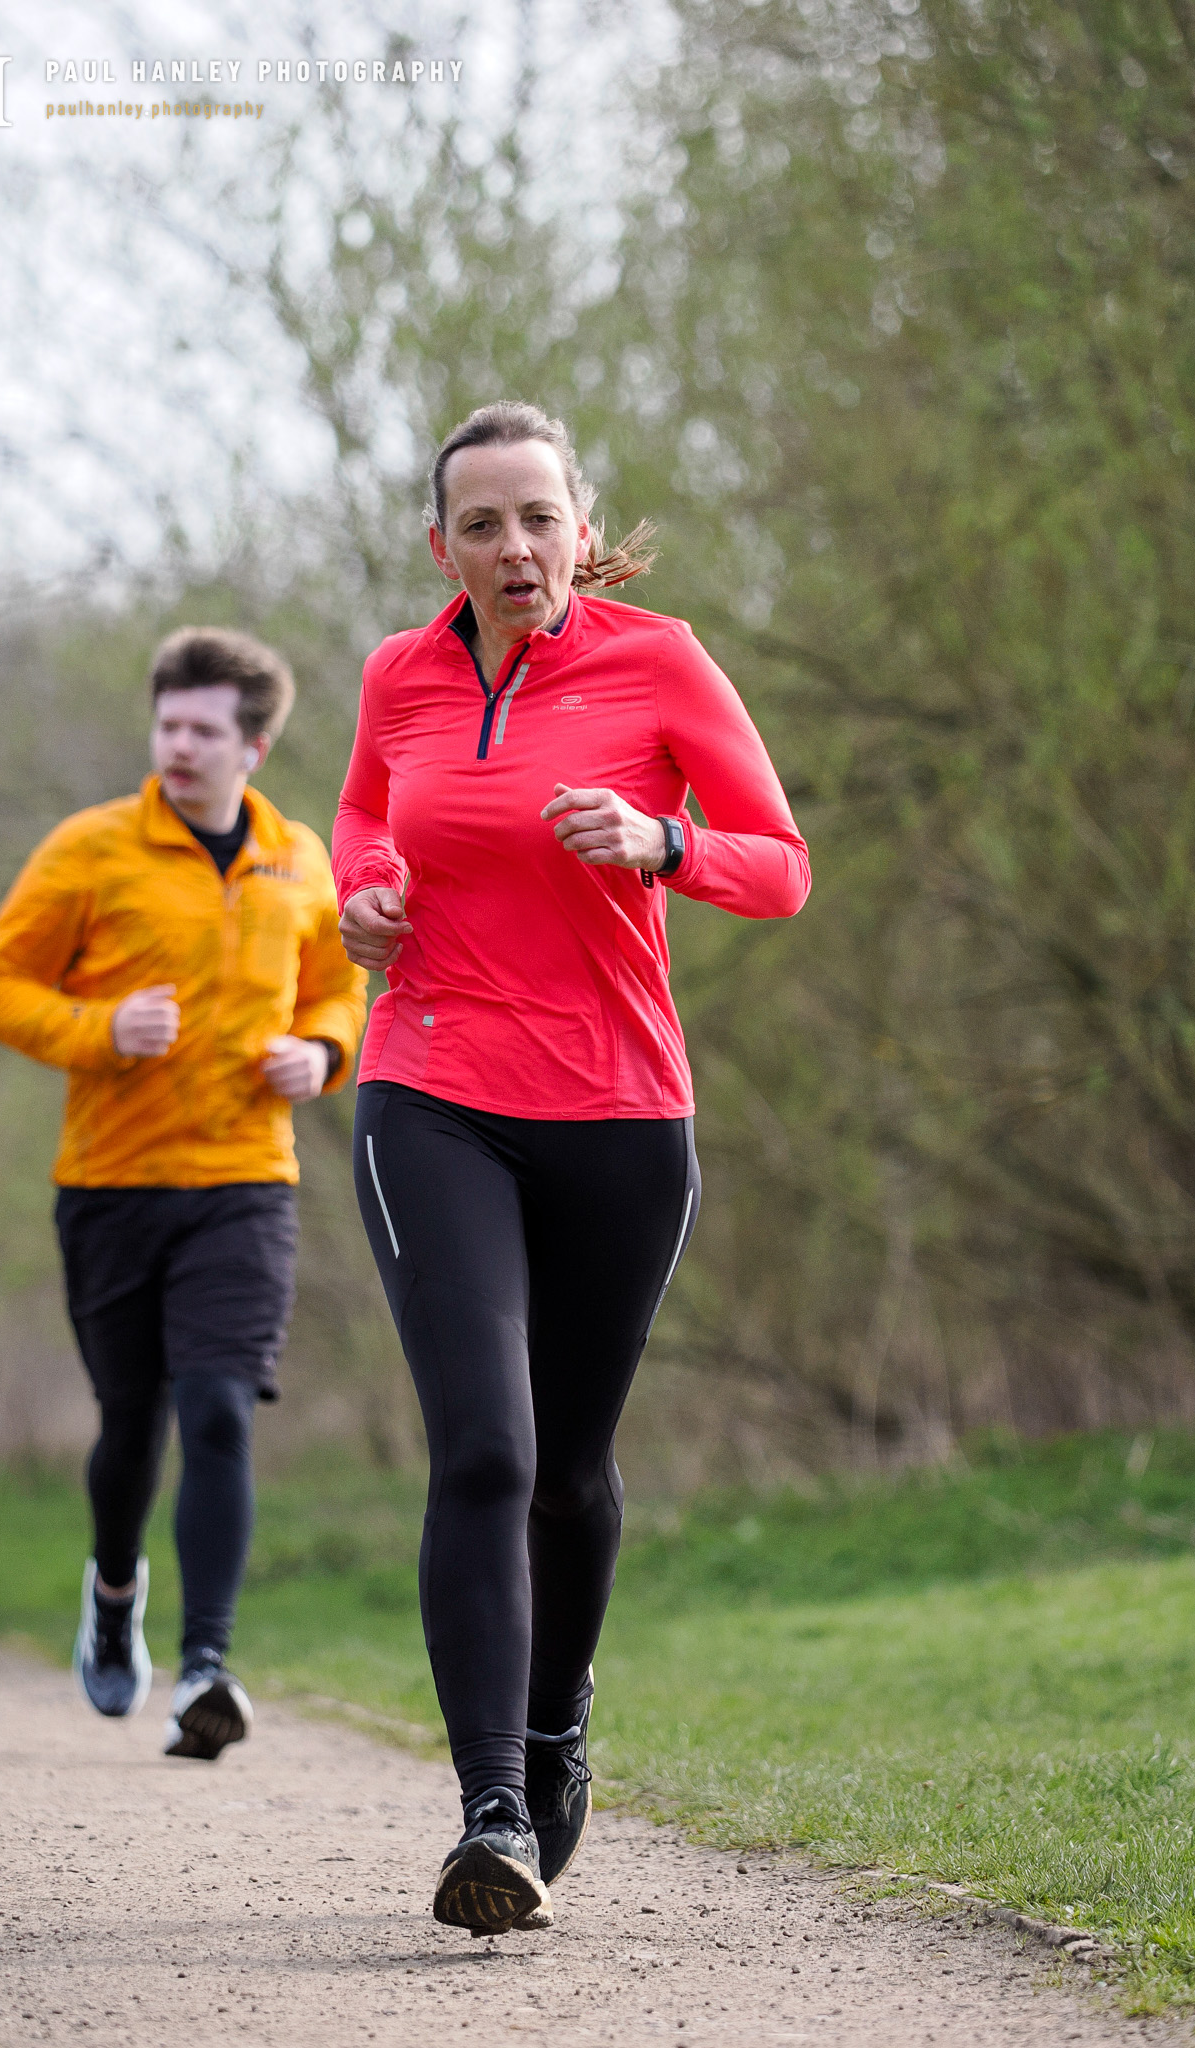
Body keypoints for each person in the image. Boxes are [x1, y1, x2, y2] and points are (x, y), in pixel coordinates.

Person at [332, 400, 810, 1932]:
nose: (515, 547)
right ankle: (491, 1813)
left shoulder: (659, 663)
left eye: (539, 518)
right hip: (431, 1092)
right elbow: (364, 806)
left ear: (581, 529)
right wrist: (363, 891)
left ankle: (553, 1733)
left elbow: (781, 865)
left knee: (571, 1470)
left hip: (617, 1112)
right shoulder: (399, 676)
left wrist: (666, 844)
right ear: (443, 547)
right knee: (486, 1449)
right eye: (483, 524)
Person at [0, 627, 367, 1761]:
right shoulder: (90, 848)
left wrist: (322, 1054)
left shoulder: (298, 859)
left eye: (203, 729)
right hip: (111, 1185)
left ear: (255, 744)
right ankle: (113, 1590)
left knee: (221, 1407)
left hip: (246, 1183)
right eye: (168, 725)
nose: (179, 745)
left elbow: (341, 988)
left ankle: (207, 1666)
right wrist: (101, 1028)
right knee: (132, 1426)